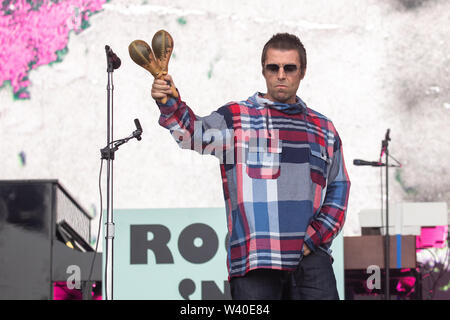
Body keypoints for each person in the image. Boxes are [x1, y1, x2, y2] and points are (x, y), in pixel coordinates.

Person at [151, 33, 351, 300]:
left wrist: (314, 237)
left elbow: (339, 185)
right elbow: (191, 135)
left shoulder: (323, 128)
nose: (281, 75)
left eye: (289, 68)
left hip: (311, 259)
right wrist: (168, 102)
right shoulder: (237, 118)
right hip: (255, 257)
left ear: (302, 72)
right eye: (273, 67)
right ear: (263, 70)